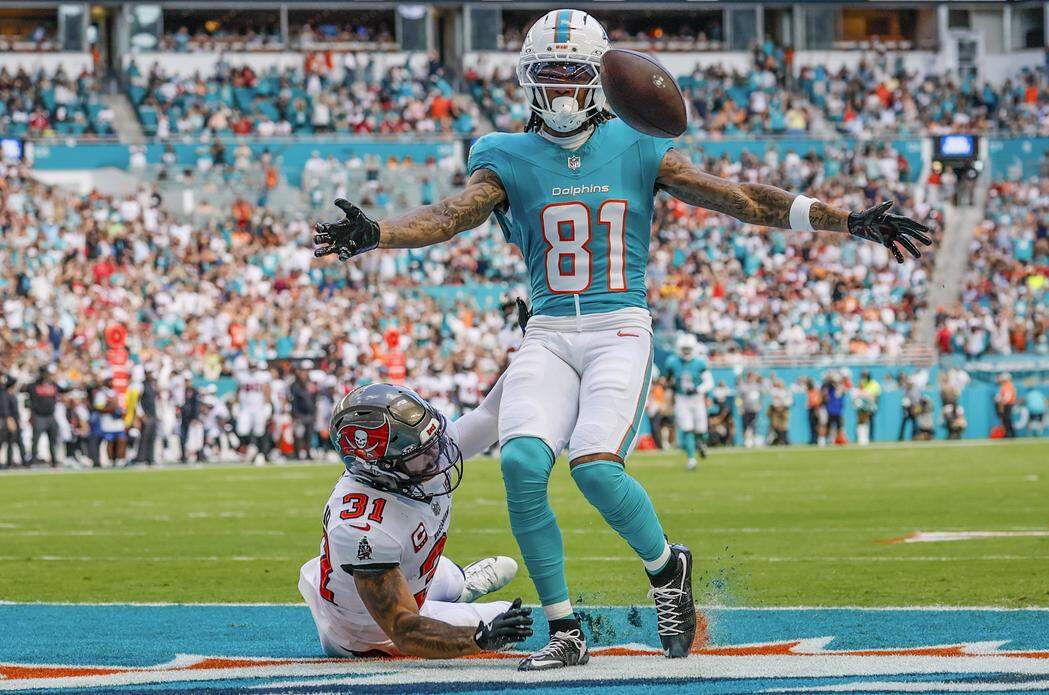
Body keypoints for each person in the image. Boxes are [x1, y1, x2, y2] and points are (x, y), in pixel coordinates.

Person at [313, 7, 930, 669]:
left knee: (595, 468)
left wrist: (848, 221)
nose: (559, 89)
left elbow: (739, 196)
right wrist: (380, 233)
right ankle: (565, 629)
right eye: (546, 76)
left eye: (572, 74)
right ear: (529, 81)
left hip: (617, 327)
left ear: (597, 79)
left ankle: (667, 571)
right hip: (548, 330)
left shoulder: (639, 145)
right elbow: (449, 215)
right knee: (521, 465)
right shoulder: (504, 154)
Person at [299, 382, 531, 659]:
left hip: (408, 573)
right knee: (509, 619)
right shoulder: (363, 529)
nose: (436, 455)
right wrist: (478, 638)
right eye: (421, 455)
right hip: (371, 634)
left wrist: (535, 348)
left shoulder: (415, 456)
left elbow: (490, 416)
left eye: (434, 443)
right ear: (378, 468)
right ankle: (459, 598)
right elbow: (403, 628)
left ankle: (462, 585)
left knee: (452, 578)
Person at [663, 334, 712, 471]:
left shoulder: (700, 362)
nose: (686, 351)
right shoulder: (673, 361)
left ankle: (702, 442)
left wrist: (698, 389)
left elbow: (709, 382)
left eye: (688, 348)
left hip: (697, 399)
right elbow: (668, 380)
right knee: (687, 429)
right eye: (684, 348)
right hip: (682, 398)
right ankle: (691, 459)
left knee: (701, 430)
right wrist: (670, 388)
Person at [26, 367, 61, 466]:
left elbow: (63, 390)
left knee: (53, 440)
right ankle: (33, 461)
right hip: (39, 416)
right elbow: (30, 395)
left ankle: (54, 461)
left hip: (51, 416)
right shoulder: (34, 385)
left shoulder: (53, 385)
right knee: (35, 440)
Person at [738, 372, 764, 448]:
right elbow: (739, 398)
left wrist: (759, 405)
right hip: (746, 408)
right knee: (746, 424)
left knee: (753, 424)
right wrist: (740, 407)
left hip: (754, 408)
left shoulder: (757, 386)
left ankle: (753, 439)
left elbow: (760, 396)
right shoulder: (743, 386)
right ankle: (747, 440)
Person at [996, 373, 1018, 438]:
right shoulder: (1005, 386)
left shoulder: (1008, 385)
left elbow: (1007, 397)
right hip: (1006, 404)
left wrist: (1001, 402)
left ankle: (1011, 434)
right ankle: (1007, 434)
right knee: (1005, 420)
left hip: (1008, 404)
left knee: (1007, 419)